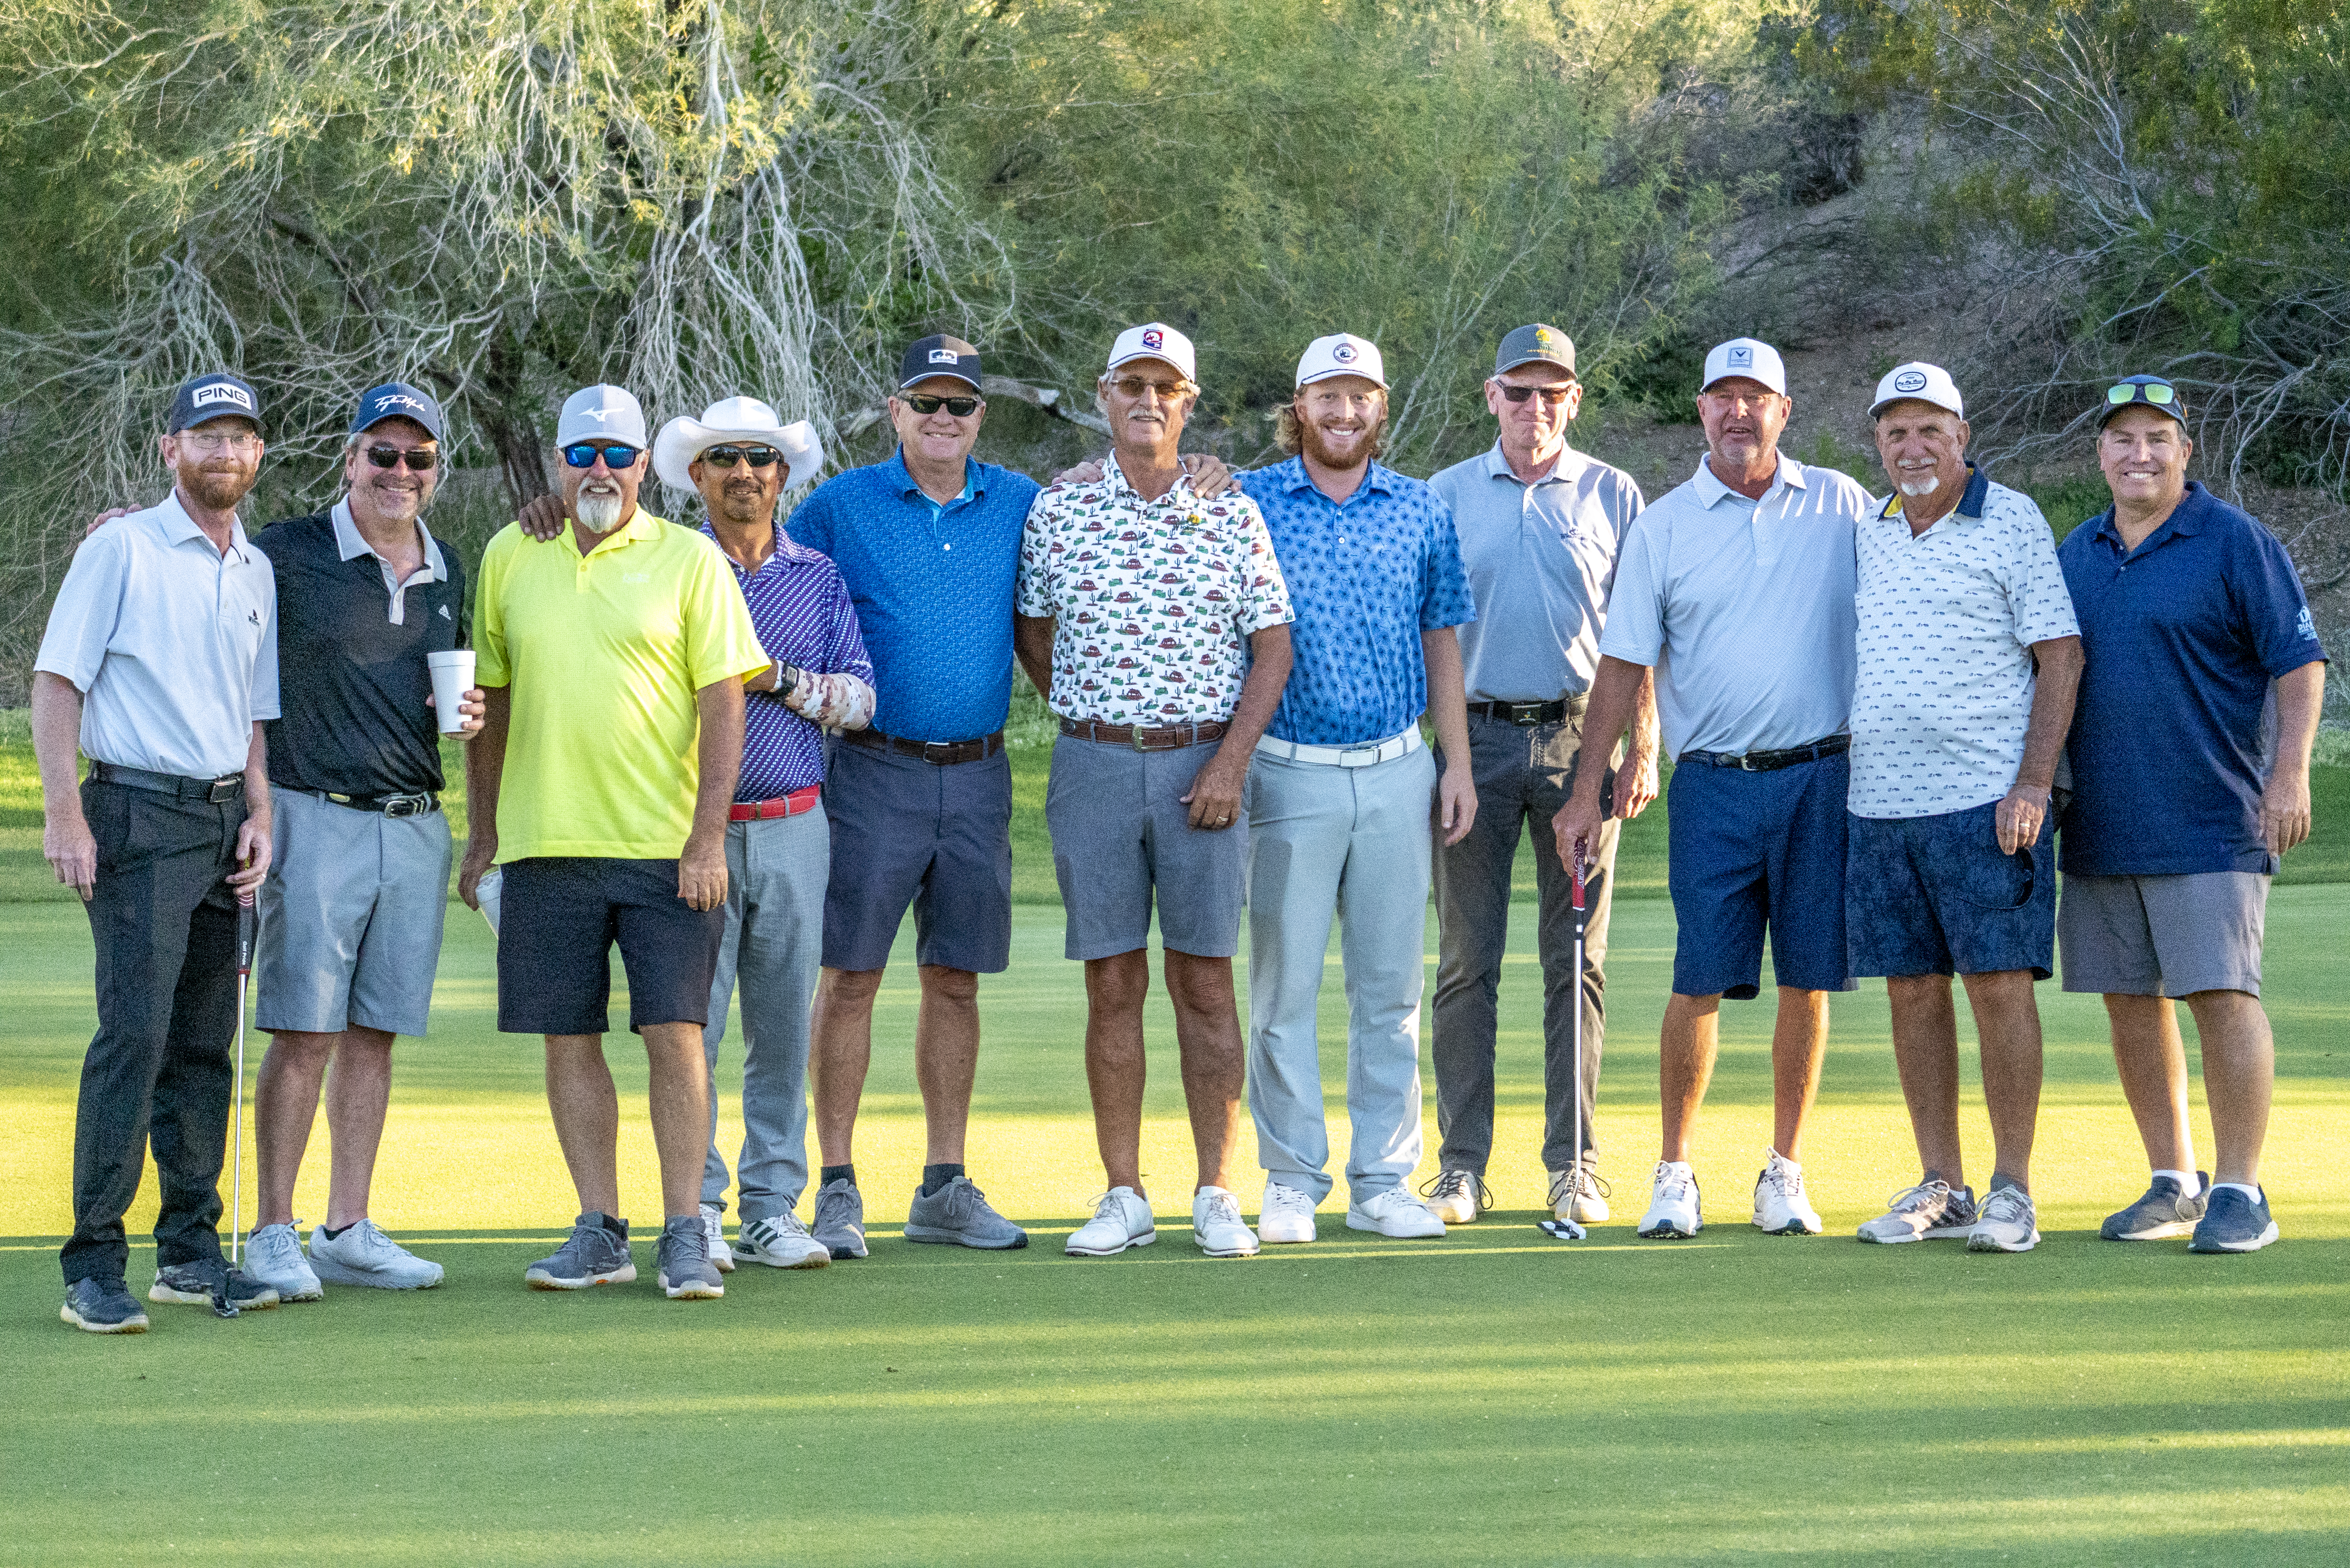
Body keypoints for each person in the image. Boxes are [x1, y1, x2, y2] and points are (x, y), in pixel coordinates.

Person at [516, 399, 870, 1273]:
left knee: (783, 1024)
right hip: (682, 833)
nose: (744, 473)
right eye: (724, 460)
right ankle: (699, 1208)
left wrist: (775, 677)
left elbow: (861, 700)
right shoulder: (665, 561)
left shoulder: (817, 577)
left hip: (791, 821)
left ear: (782, 475)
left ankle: (770, 1205)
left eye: (760, 459)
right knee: (691, 1030)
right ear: (695, 476)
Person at [1554, 337, 1875, 1240]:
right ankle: (1674, 1171)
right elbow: (1622, 665)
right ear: (1700, 410)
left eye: (1756, 398)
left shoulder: (1842, 504)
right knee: (1698, 980)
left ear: (1784, 411)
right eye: (1722, 398)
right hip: (1714, 784)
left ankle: (1784, 1170)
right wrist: (1588, 789)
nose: (1739, 413)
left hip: (1823, 775)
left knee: (1807, 983)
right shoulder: (1664, 525)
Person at [459, 385, 771, 1300]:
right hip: (545, 842)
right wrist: (483, 836)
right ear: (559, 462)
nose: (600, 470)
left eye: (617, 454)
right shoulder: (511, 552)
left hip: (665, 848)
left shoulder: (689, 559)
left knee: (676, 1036)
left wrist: (708, 838)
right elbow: (494, 700)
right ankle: (599, 1228)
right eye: (582, 453)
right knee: (568, 1037)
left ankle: (684, 1228)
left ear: (646, 466)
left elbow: (724, 702)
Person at [1013, 323, 1295, 1259]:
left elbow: (1272, 646)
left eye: (1164, 387)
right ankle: (1123, 1191)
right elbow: (1035, 630)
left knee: (1205, 982)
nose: (1146, 400)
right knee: (1111, 979)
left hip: (1200, 770)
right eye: (1130, 384)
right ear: (1103, 396)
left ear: (1188, 403)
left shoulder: (1230, 508)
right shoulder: (1061, 509)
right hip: (1093, 764)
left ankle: (1217, 1189)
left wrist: (1226, 760)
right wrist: (1101, 713)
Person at [2057, 375, 2328, 1254]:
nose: (2140, 455)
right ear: (2100, 454)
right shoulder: (2077, 551)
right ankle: (2174, 1180)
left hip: (2212, 818)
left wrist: (2289, 778)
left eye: (2158, 439)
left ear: (2186, 450)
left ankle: (2243, 1191)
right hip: (2101, 822)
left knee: (2221, 995)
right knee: (2131, 1003)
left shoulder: (2234, 541)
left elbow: (2299, 664)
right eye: (2123, 440)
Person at [36, 372, 282, 1331]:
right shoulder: (122, 548)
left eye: (241, 438)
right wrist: (65, 815)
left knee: (203, 1045)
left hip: (224, 821)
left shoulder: (253, 567)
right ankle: (94, 1260)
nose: (225, 452)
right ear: (170, 448)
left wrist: (260, 812)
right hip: (137, 815)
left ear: (258, 456)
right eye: (206, 436)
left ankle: (190, 1249)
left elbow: (253, 712)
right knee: (133, 1038)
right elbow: (59, 683)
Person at [784, 335, 1038, 1256]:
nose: (942, 419)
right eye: (924, 403)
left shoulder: (1018, 500)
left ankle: (942, 1183)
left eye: (959, 405)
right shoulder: (843, 505)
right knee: (850, 976)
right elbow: (751, 560)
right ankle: (839, 1183)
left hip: (977, 773)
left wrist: (1204, 465)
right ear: (894, 411)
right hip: (870, 769)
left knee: (955, 979)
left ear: (980, 417)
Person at [1232, 333, 1477, 1244]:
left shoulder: (1420, 509)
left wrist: (1454, 763)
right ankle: (1291, 1176)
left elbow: (1441, 640)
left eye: (1360, 397)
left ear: (1382, 406)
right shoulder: (1248, 500)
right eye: (1325, 398)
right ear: (1300, 407)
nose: (1343, 414)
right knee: (1284, 990)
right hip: (1286, 768)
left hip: (1395, 769)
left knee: (1389, 992)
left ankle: (1383, 1179)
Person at [1843, 364, 2083, 1255]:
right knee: (1911, 992)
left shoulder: (2010, 517)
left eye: (1929, 430)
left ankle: (2012, 1189)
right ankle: (1941, 1183)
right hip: (1879, 804)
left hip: (1987, 802)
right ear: (1878, 441)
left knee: (1998, 987)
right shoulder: (1869, 528)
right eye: (1896, 431)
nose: (1912, 448)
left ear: (1962, 436)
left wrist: (2031, 781)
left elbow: (2059, 656)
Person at [1424, 323, 1660, 1228]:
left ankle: (1572, 1164)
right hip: (1473, 743)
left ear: (1574, 398)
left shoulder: (1613, 492)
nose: (1535, 408)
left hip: (1578, 746)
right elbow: (1433, 635)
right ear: (1491, 396)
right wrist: (1446, 757)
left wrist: (1641, 745)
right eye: (1518, 392)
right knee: (1464, 962)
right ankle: (1459, 1167)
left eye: (1551, 392)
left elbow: (1639, 634)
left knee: (1576, 963)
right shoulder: (1445, 494)